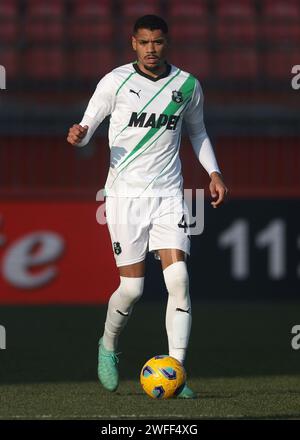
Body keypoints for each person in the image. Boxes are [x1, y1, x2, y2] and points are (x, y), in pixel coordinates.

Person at [67, 15, 228, 399]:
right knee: (133, 289)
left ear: (166, 43)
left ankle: (176, 370)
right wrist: (81, 134)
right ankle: (108, 345)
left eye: (157, 42)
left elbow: (198, 131)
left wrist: (215, 173)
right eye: (144, 43)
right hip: (124, 197)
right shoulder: (116, 81)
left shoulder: (187, 84)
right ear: (133, 44)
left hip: (169, 195)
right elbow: (88, 123)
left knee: (179, 281)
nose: (151, 49)